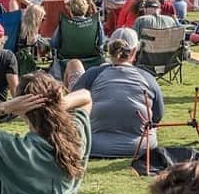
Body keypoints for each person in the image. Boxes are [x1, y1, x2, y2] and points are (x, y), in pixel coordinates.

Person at [65, 28, 163, 158]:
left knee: (74, 65)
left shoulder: (93, 74)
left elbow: (70, 107)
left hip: (95, 145)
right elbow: (157, 117)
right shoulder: (148, 78)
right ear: (135, 51)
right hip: (141, 147)